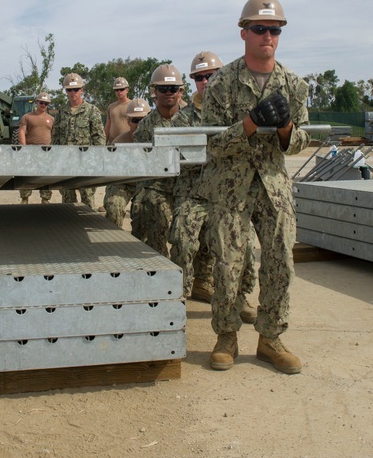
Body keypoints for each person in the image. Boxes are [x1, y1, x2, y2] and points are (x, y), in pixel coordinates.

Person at [197, 0, 311, 375]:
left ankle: (271, 338)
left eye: (274, 30)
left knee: (280, 259)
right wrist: (247, 125)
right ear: (244, 32)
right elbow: (211, 145)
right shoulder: (222, 84)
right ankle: (227, 335)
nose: (268, 36)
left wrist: (285, 128)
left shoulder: (294, 85)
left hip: (274, 187)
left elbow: (299, 142)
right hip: (231, 186)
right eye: (260, 29)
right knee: (229, 262)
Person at [169, 51, 258, 325]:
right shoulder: (182, 120)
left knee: (245, 246)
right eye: (199, 77)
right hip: (194, 192)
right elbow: (183, 159)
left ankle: (237, 298)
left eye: (212, 75)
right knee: (183, 237)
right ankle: (177, 299)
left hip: (228, 193)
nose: (206, 82)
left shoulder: (237, 113)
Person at [131, 64, 184, 258]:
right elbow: (142, 164)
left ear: (180, 91)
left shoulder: (193, 118)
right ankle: (160, 259)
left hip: (188, 187)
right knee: (148, 208)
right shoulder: (145, 126)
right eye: (163, 89)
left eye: (173, 88)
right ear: (155, 91)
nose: (168, 93)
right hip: (159, 185)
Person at [51, 72, 105, 209]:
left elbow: (99, 137)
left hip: (86, 163)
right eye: (69, 89)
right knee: (68, 200)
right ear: (66, 91)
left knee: (87, 198)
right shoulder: (61, 113)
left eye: (76, 89)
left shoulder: (92, 111)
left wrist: (98, 159)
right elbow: (55, 138)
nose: (73, 92)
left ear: (82, 90)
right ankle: (68, 228)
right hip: (66, 163)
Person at [103, 97, 151, 228]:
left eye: (143, 120)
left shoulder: (156, 141)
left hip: (146, 185)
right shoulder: (119, 142)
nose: (139, 124)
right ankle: (113, 240)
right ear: (128, 121)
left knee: (147, 211)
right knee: (114, 205)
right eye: (135, 120)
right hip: (123, 183)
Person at [18, 92, 55, 204]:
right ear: (37, 103)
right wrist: (23, 148)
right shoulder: (27, 117)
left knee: (45, 176)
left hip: (46, 152)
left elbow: (53, 134)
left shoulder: (51, 119)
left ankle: (45, 198)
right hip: (30, 151)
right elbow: (22, 131)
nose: (43, 105)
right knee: (27, 175)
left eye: (46, 103)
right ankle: (25, 198)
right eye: (41, 102)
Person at [104, 77, 131, 142]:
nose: (119, 92)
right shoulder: (111, 107)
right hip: (112, 144)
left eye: (121, 89)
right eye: (117, 90)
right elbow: (108, 126)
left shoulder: (132, 105)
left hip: (128, 143)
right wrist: (104, 143)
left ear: (127, 90)